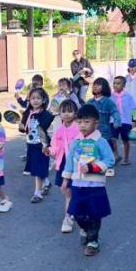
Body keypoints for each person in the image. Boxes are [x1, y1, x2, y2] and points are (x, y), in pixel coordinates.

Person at [62, 104, 116, 256]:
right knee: (77, 213)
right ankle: (85, 230)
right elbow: (70, 161)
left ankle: (93, 241)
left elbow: (110, 160)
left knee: (94, 213)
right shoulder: (76, 142)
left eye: (86, 122)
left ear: (96, 123)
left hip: (95, 185)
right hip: (78, 184)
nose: (82, 125)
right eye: (79, 122)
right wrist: (66, 179)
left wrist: (93, 167)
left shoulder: (101, 142)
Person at [46, 99, 80, 233]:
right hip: (63, 163)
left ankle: (68, 217)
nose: (66, 114)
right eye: (63, 111)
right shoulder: (59, 130)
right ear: (59, 113)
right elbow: (54, 148)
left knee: (71, 191)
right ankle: (72, 210)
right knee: (65, 190)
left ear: (75, 113)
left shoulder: (79, 128)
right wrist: (48, 151)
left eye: (70, 111)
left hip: (77, 165)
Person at [20, 87, 55, 202]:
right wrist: (21, 126)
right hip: (31, 144)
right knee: (36, 168)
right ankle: (46, 183)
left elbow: (45, 127)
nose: (35, 100)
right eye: (33, 98)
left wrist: (47, 145)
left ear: (43, 100)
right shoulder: (27, 113)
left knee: (38, 169)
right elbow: (24, 128)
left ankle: (37, 193)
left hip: (42, 145)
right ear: (29, 100)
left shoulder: (46, 114)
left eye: (38, 98)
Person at [86, 77, 121, 157]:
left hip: (104, 133)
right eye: (94, 85)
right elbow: (83, 114)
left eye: (98, 85)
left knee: (105, 155)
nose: (95, 86)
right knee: (91, 156)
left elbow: (115, 112)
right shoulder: (89, 102)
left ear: (104, 87)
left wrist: (117, 121)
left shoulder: (108, 102)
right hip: (90, 133)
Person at [111, 75, 136, 165]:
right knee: (112, 139)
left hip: (125, 121)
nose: (115, 85)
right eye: (114, 83)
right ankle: (116, 155)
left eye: (118, 83)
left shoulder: (128, 96)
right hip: (113, 121)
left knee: (125, 140)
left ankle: (126, 158)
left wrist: (135, 120)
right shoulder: (110, 96)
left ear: (123, 85)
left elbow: (133, 108)